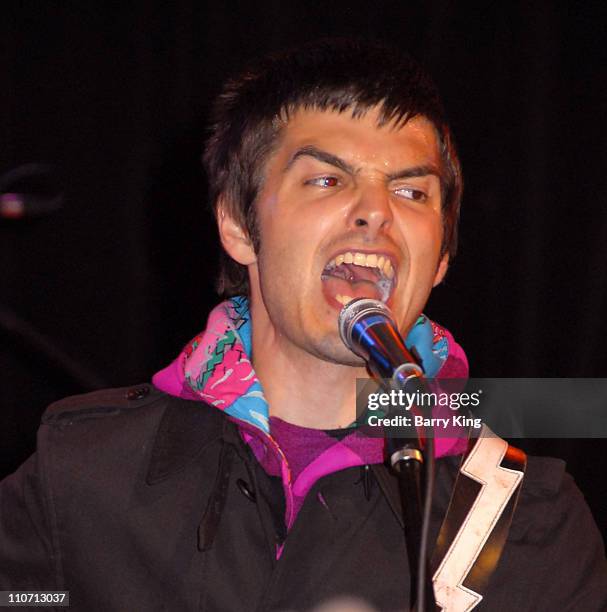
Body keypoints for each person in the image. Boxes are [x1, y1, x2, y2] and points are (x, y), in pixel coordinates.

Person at [1, 38, 606, 612]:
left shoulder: (527, 522)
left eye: (413, 192)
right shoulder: (83, 474)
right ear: (238, 226)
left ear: (443, 256)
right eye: (326, 180)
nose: (376, 211)